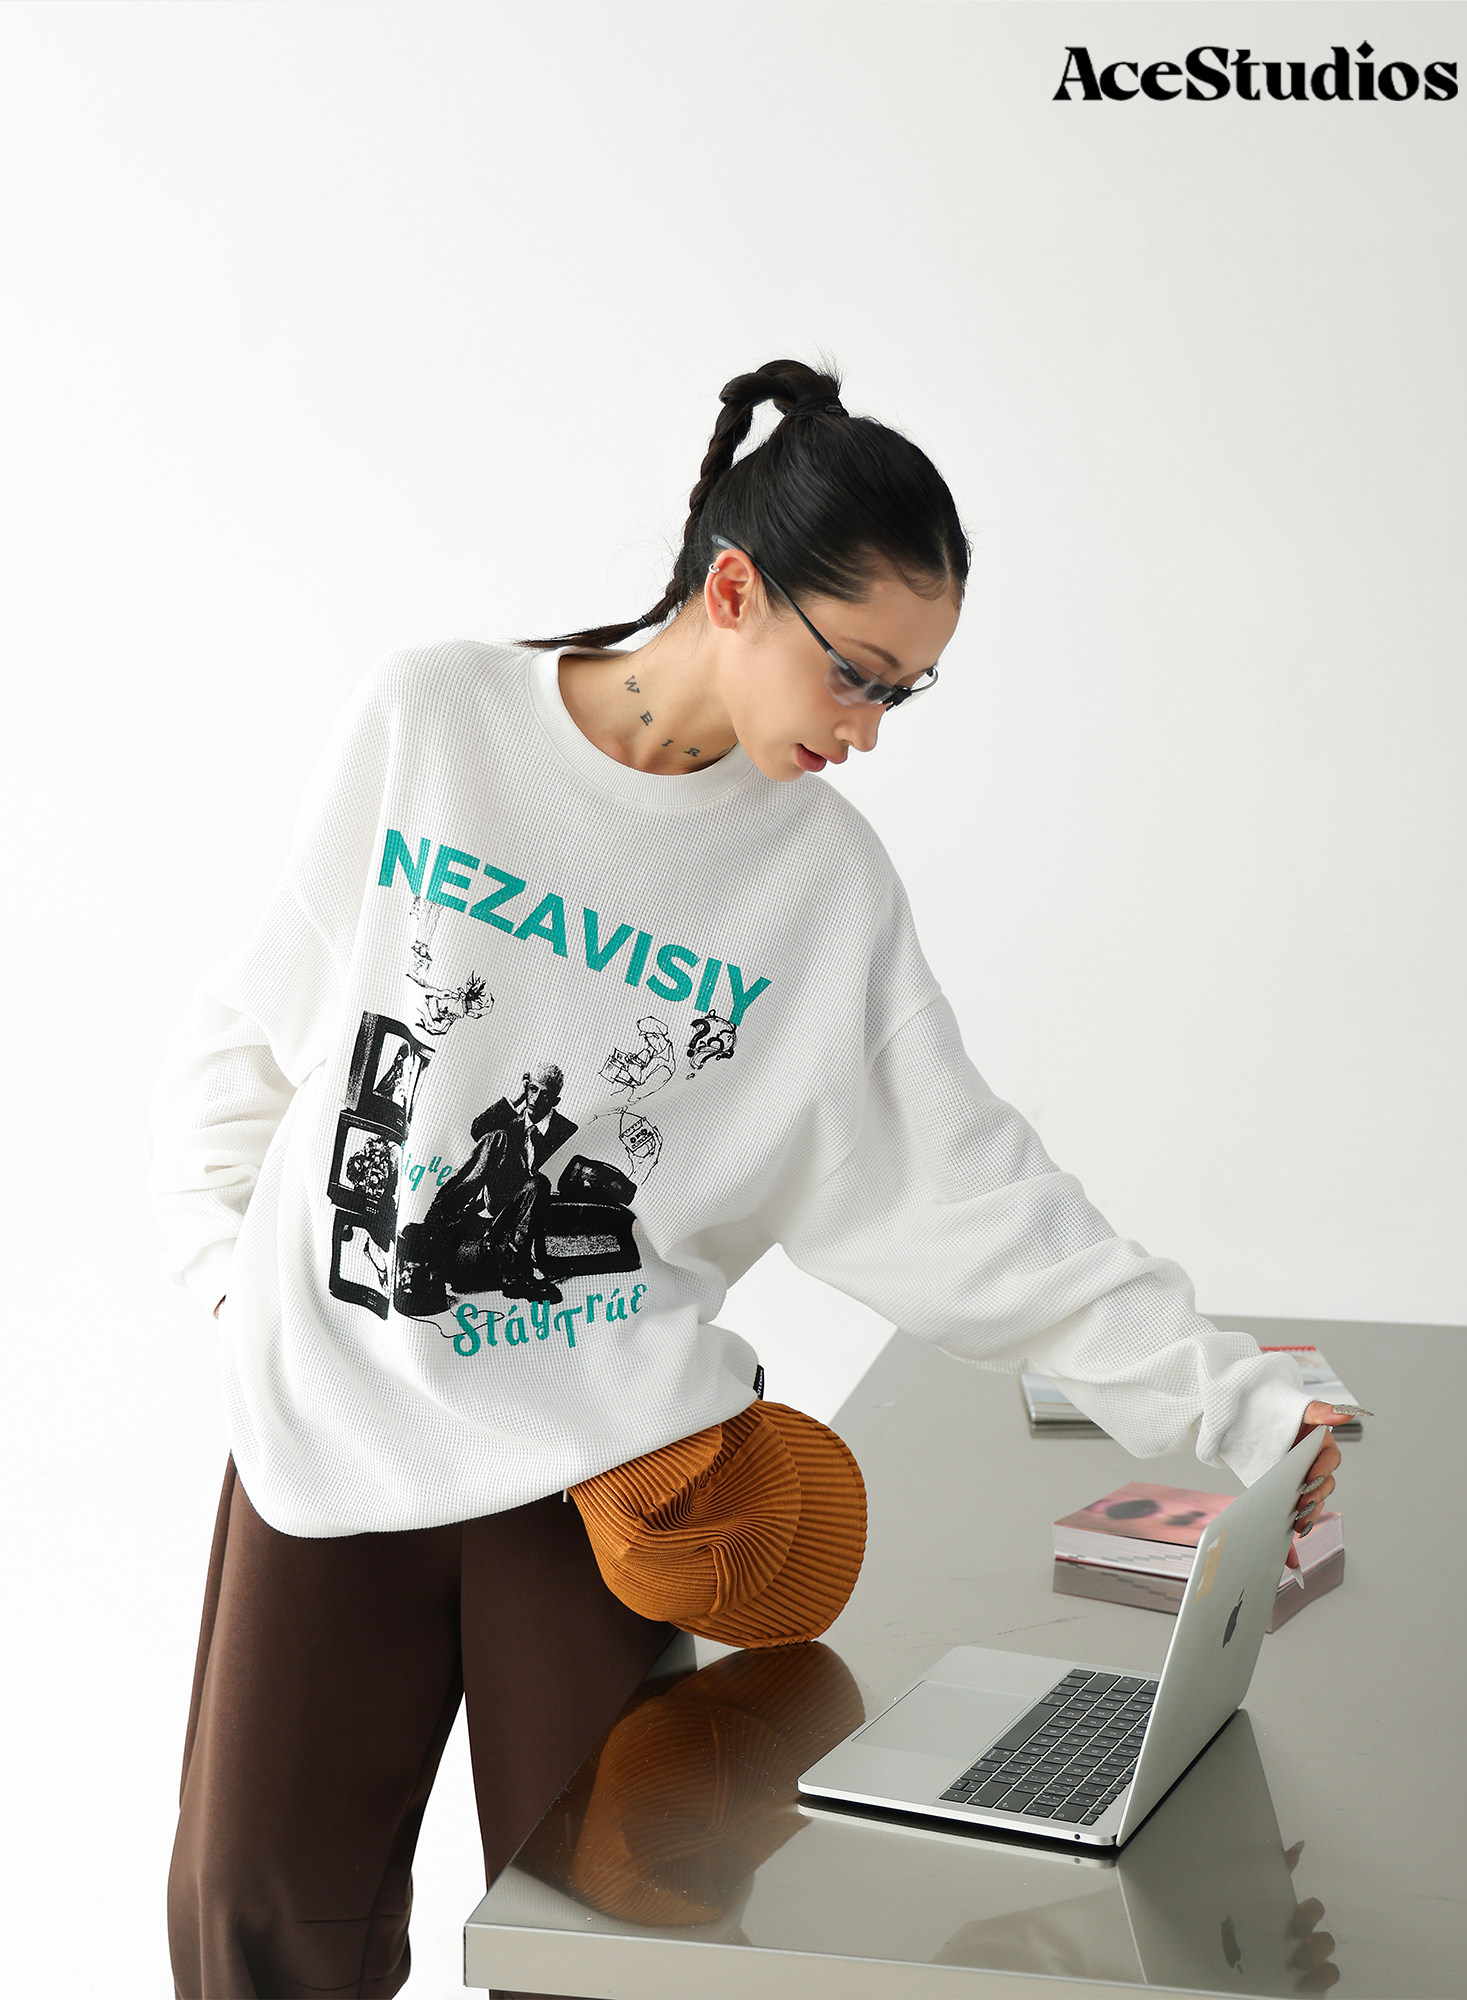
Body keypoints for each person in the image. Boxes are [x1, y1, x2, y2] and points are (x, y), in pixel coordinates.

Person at [147, 356, 1351, 2000]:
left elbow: (984, 1206)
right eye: (855, 674)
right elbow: (252, 1036)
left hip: (603, 1477)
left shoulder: (818, 890)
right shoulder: (434, 721)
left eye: (905, 695)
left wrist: (1241, 1403)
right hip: (329, 1429)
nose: (866, 732)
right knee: (254, 1929)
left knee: (612, 1953)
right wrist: (232, 1296)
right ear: (733, 590)